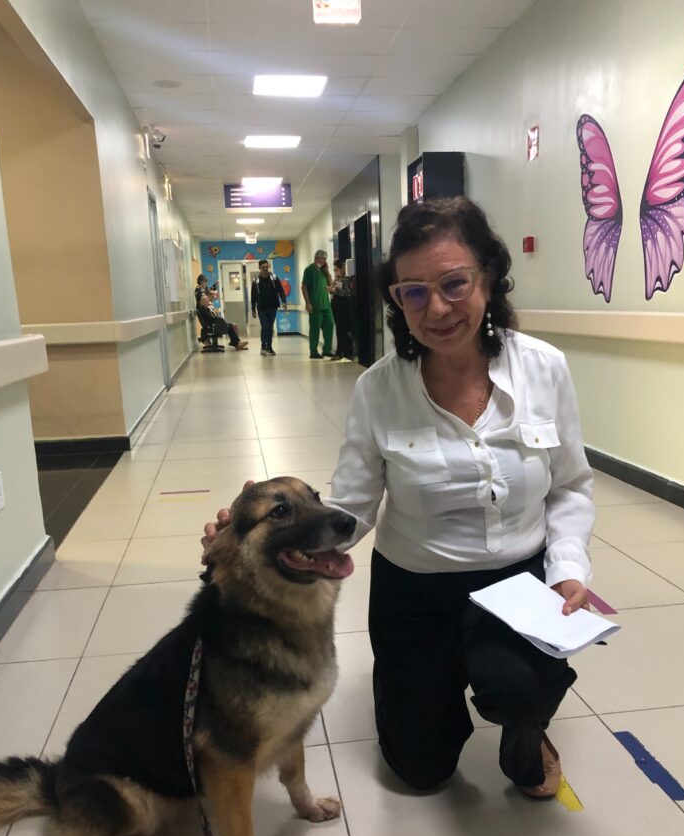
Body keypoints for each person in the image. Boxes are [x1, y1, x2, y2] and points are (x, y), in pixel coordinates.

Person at [202, 196, 595, 801]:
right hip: (415, 590)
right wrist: (266, 533)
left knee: (522, 688)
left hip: (518, 582)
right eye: (414, 292)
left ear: (488, 276)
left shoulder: (545, 369)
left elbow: (569, 485)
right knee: (419, 771)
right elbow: (353, 508)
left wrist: (567, 567)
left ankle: (526, 730)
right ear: (397, 302)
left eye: (454, 283)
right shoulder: (378, 390)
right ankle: (437, 680)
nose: (436, 308)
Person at [301, 249, 334, 360]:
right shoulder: (309, 270)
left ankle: (327, 350)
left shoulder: (324, 271)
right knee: (315, 329)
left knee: (330, 325)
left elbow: (330, 285)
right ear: (316, 258)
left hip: (326, 305)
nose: (323, 260)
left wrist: (327, 272)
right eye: (322, 258)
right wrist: (307, 303)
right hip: (315, 305)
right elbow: (304, 287)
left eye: (325, 259)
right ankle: (313, 351)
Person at [250, 259, 287, 357]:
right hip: (261, 307)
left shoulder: (273, 278)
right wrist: (253, 309)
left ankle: (269, 347)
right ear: (259, 268)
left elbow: (281, 290)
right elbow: (253, 296)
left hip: (272, 306)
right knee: (265, 326)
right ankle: (263, 347)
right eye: (263, 267)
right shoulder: (256, 280)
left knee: (270, 327)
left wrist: (284, 301)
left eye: (267, 267)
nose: (265, 269)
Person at [330, 258, 354, 362]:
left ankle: (344, 352)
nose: (335, 272)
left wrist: (334, 290)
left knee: (343, 330)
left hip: (343, 307)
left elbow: (346, 293)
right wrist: (333, 288)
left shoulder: (346, 280)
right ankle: (342, 352)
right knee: (340, 330)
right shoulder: (338, 279)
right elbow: (333, 289)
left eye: (336, 269)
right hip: (337, 307)